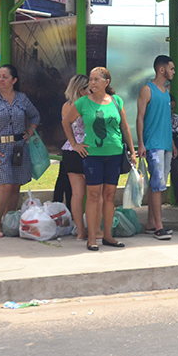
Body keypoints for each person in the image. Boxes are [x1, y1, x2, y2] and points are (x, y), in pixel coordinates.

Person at [62, 67, 136, 250]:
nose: (92, 83)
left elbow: (125, 127)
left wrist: (132, 151)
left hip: (114, 153)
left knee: (110, 196)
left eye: (96, 79)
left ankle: (108, 236)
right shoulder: (82, 103)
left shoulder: (117, 101)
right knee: (93, 195)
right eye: (90, 79)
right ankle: (92, 237)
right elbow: (66, 122)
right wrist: (74, 144)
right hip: (93, 155)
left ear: (106, 82)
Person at [0, 64, 40, 238]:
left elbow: (35, 115)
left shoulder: (22, 99)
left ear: (14, 80)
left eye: (5, 76)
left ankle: (9, 221)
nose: (1, 79)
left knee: (15, 185)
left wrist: (30, 130)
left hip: (19, 147)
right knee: (4, 185)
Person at [136, 55, 175, 239]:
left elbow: (165, 120)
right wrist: (141, 143)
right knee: (158, 185)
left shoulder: (166, 92)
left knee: (158, 185)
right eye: (171, 68)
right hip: (153, 144)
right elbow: (140, 117)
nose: (173, 72)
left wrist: (172, 143)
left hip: (165, 143)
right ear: (162, 70)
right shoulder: (147, 89)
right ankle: (159, 226)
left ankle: (152, 223)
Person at [56, 75, 89, 238]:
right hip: (85, 149)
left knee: (77, 194)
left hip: (69, 149)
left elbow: (66, 125)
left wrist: (73, 144)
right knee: (93, 192)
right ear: (81, 89)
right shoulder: (83, 105)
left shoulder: (66, 105)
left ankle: (80, 231)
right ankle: (92, 227)